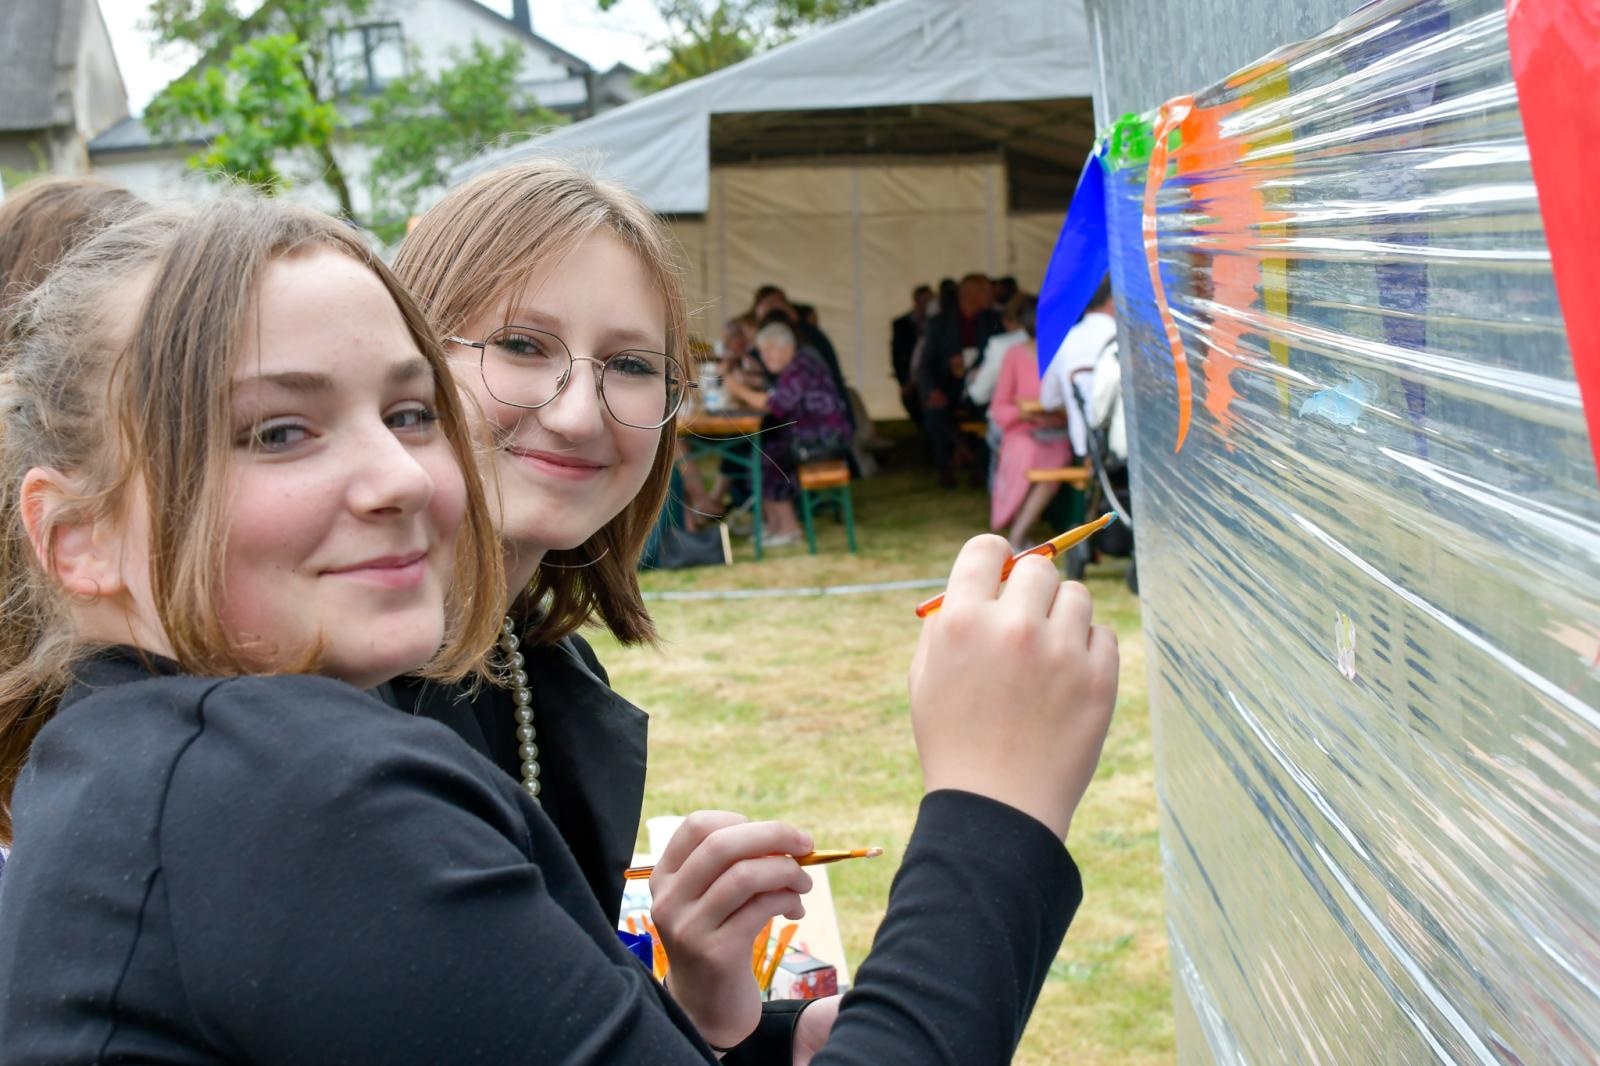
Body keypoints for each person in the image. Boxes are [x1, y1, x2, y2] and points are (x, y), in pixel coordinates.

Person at [0, 195, 1120, 1065]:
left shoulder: (173, 754)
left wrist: (729, 1028)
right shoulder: (288, 785)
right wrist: (994, 804)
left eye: (406, 412)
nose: (397, 473)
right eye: (280, 430)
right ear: (76, 537)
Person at [724, 319, 853, 547]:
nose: (765, 358)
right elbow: (777, 396)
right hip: (814, 436)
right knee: (761, 453)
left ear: (785, 347)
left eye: (769, 351)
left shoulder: (800, 366)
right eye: (763, 353)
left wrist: (736, 389)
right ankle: (774, 525)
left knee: (767, 459)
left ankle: (788, 528)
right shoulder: (799, 362)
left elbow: (775, 405)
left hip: (824, 440)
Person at [988, 297, 1072, 549]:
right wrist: (1025, 414)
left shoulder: (1063, 353)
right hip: (1022, 430)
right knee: (1026, 452)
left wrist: (1055, 413)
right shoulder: (1014, 356)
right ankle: (1015, 528)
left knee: (1055, 459)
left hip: (1055, 430)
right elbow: (999, 407)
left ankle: (1019, 533)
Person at [918, 273, 1004, 488]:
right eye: (985, 290)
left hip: (981, 387)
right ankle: (945, 469)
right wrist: (932, 391)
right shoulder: (940, 322)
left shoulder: (993, 320)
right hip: (948, 387)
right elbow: (925, 364)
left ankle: (980, 468)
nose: (990, 294)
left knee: (994, 413)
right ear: (969, 294)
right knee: (933, 414)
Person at [1041, 277, 1119, 460]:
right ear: (1112, 299)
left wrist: (1077, 404)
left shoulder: (1064, 341)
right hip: (1132, 442)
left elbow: (1048, 400)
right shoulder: (1129, 336)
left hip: (1087, 446)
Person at [965, 292, 1032, 409]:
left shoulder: (1000, 345)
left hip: (1012, 419)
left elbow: (979, 394)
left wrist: (972, 376)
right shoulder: (1059, 341)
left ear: (1007, 320)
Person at [891, 283, 932, 425]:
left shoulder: (936, 322)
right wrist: (904, 381)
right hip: (912, 375)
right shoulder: (902, 324)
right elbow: (897, 355)